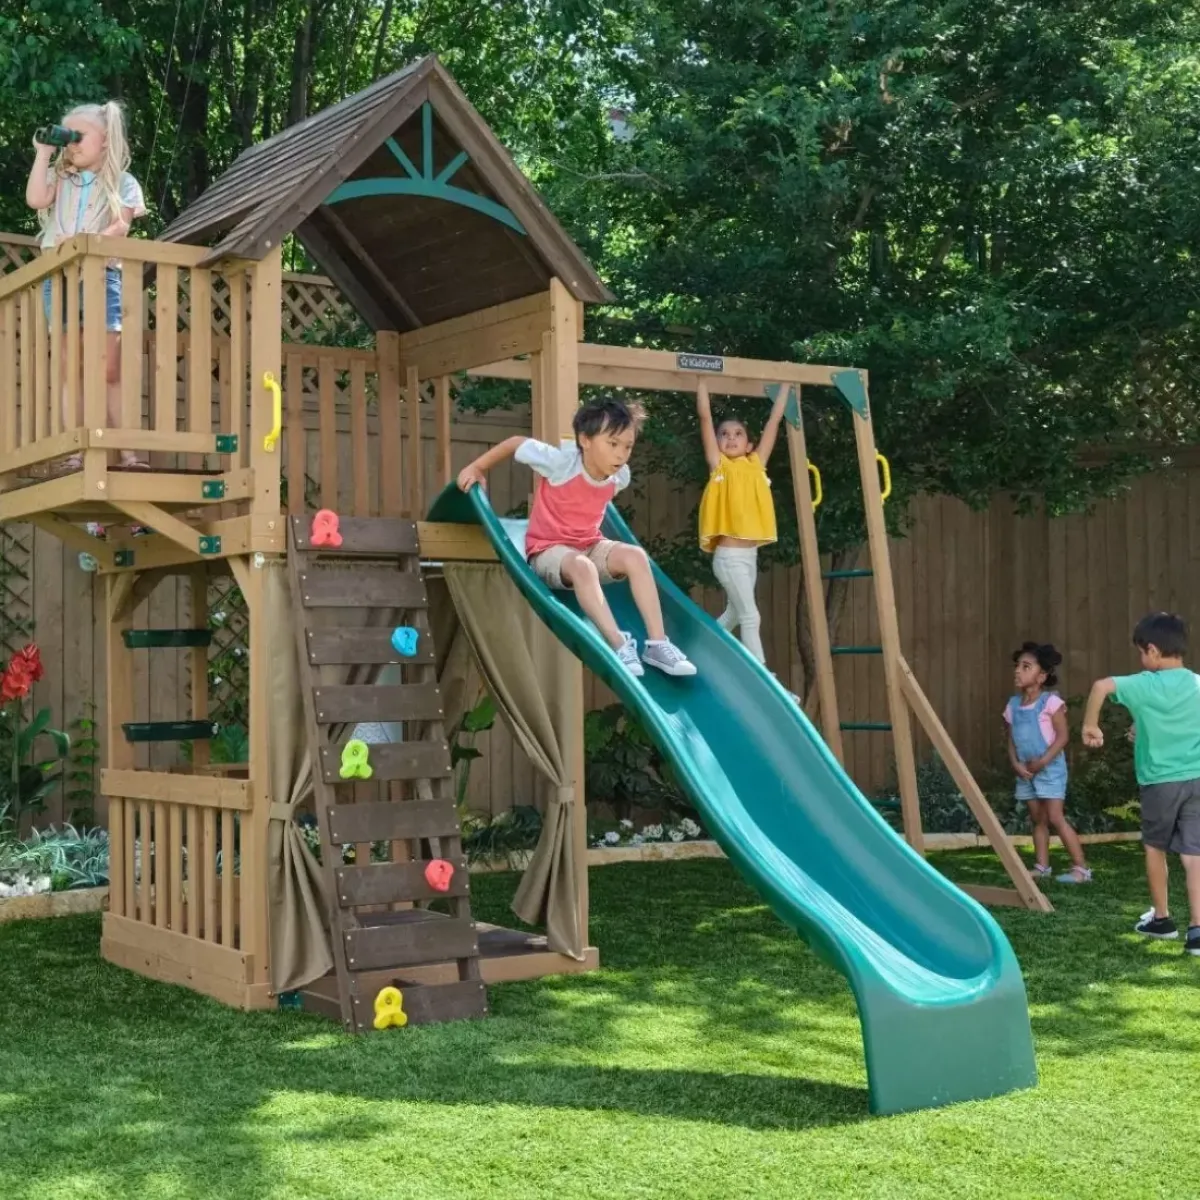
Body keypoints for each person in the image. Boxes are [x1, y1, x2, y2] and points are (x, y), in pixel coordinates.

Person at [456, 397, 697, 679]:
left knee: (636, 556)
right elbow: (515, 443)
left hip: (589, 545)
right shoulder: (561, 463)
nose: (621, 454)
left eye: (627, 446)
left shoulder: (619, 477)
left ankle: (657, 644)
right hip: (547, 551)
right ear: (585, 440)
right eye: (613, 444)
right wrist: (477, 467)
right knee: (583, 567)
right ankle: (617, 643)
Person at [24, 100, 148, 471]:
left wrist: (84, 242)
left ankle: (128, 452)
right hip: (61, 278)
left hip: (101, 275)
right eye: (68, 138)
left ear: (106, 139)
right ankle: (75, 452)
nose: (72, 144)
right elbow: (35, 199)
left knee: (109, 368)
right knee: (70, 368)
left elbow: (121, 226)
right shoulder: (63, 178)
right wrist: (44, 154)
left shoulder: (123, 182)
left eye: (79, 136)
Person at [1083, 612, 1200, 956]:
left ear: (1152, 650)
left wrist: (1090, 725)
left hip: (1160, 782)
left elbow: (1101, 686)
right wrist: (1141, 728)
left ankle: (1162, 919)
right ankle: (1197, 931)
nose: (1140, 659)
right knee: (1194, 854)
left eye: (1140, 652)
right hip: (1197, 780)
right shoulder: (1197, 684)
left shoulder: (1145, 683)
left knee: (1154, 847)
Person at [695, 385, 787, 664]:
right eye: (724, 434)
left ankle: (701, 649)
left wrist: (786, 386)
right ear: (717, 443)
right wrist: (702, 381)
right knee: (751, 616)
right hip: (729, 558)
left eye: (738, 434)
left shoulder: (756, 465)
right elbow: (705, 418)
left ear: (749, 445)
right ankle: (763, 675)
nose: (731, 438)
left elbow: (774, 421)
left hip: (749, 557)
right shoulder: (719, 466)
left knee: (735, 614)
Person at [1004, 642, 1091, 884]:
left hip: (1049, 769)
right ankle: (1042, 867)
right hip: (1026, 772)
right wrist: (1016, 764)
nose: (1018, 670)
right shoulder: (1013, 705)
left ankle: (1081, 869)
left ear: (1041, 676)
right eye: (1017, 666)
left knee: (1055, 817)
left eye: (1026, 666)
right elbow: (1010, 740)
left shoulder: (1050, 703)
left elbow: (1063, 737)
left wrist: (1042, 762)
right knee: (1038, 819)